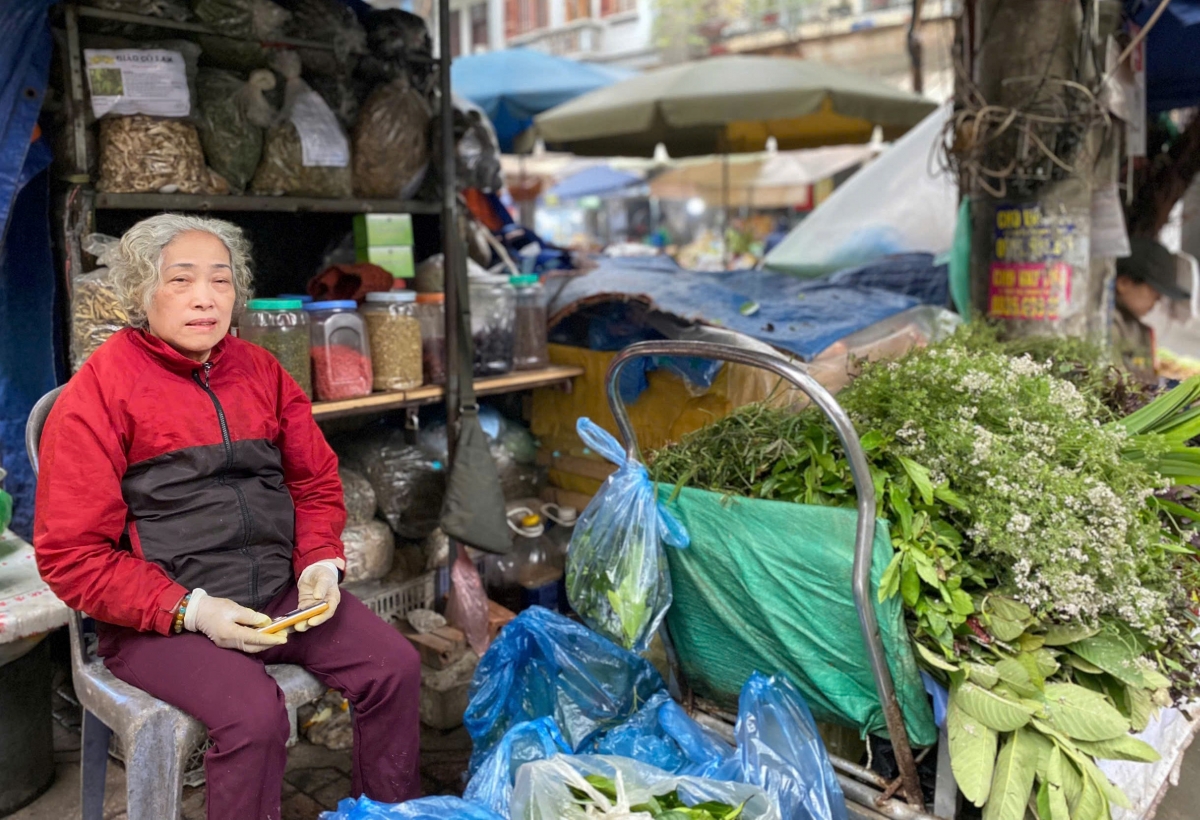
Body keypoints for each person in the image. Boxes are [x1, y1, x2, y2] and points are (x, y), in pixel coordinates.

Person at [34, 214, 422, 819]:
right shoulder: (99, 394)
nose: (205, 298)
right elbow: (72, 558)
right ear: (141, 291)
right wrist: (192, 609)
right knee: (254, 717)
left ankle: (388, 813)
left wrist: (320, 559)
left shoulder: (261, 371)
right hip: (158, 622)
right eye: (181, 280)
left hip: (277, 594)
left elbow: (314, 480)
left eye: (220, 280)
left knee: (393, 667)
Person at [1113, 236, 1189, 381]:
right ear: (1123, 283)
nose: (1158, 299)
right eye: (1154, 291)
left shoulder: (1138, 329)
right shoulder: (1107, 325)